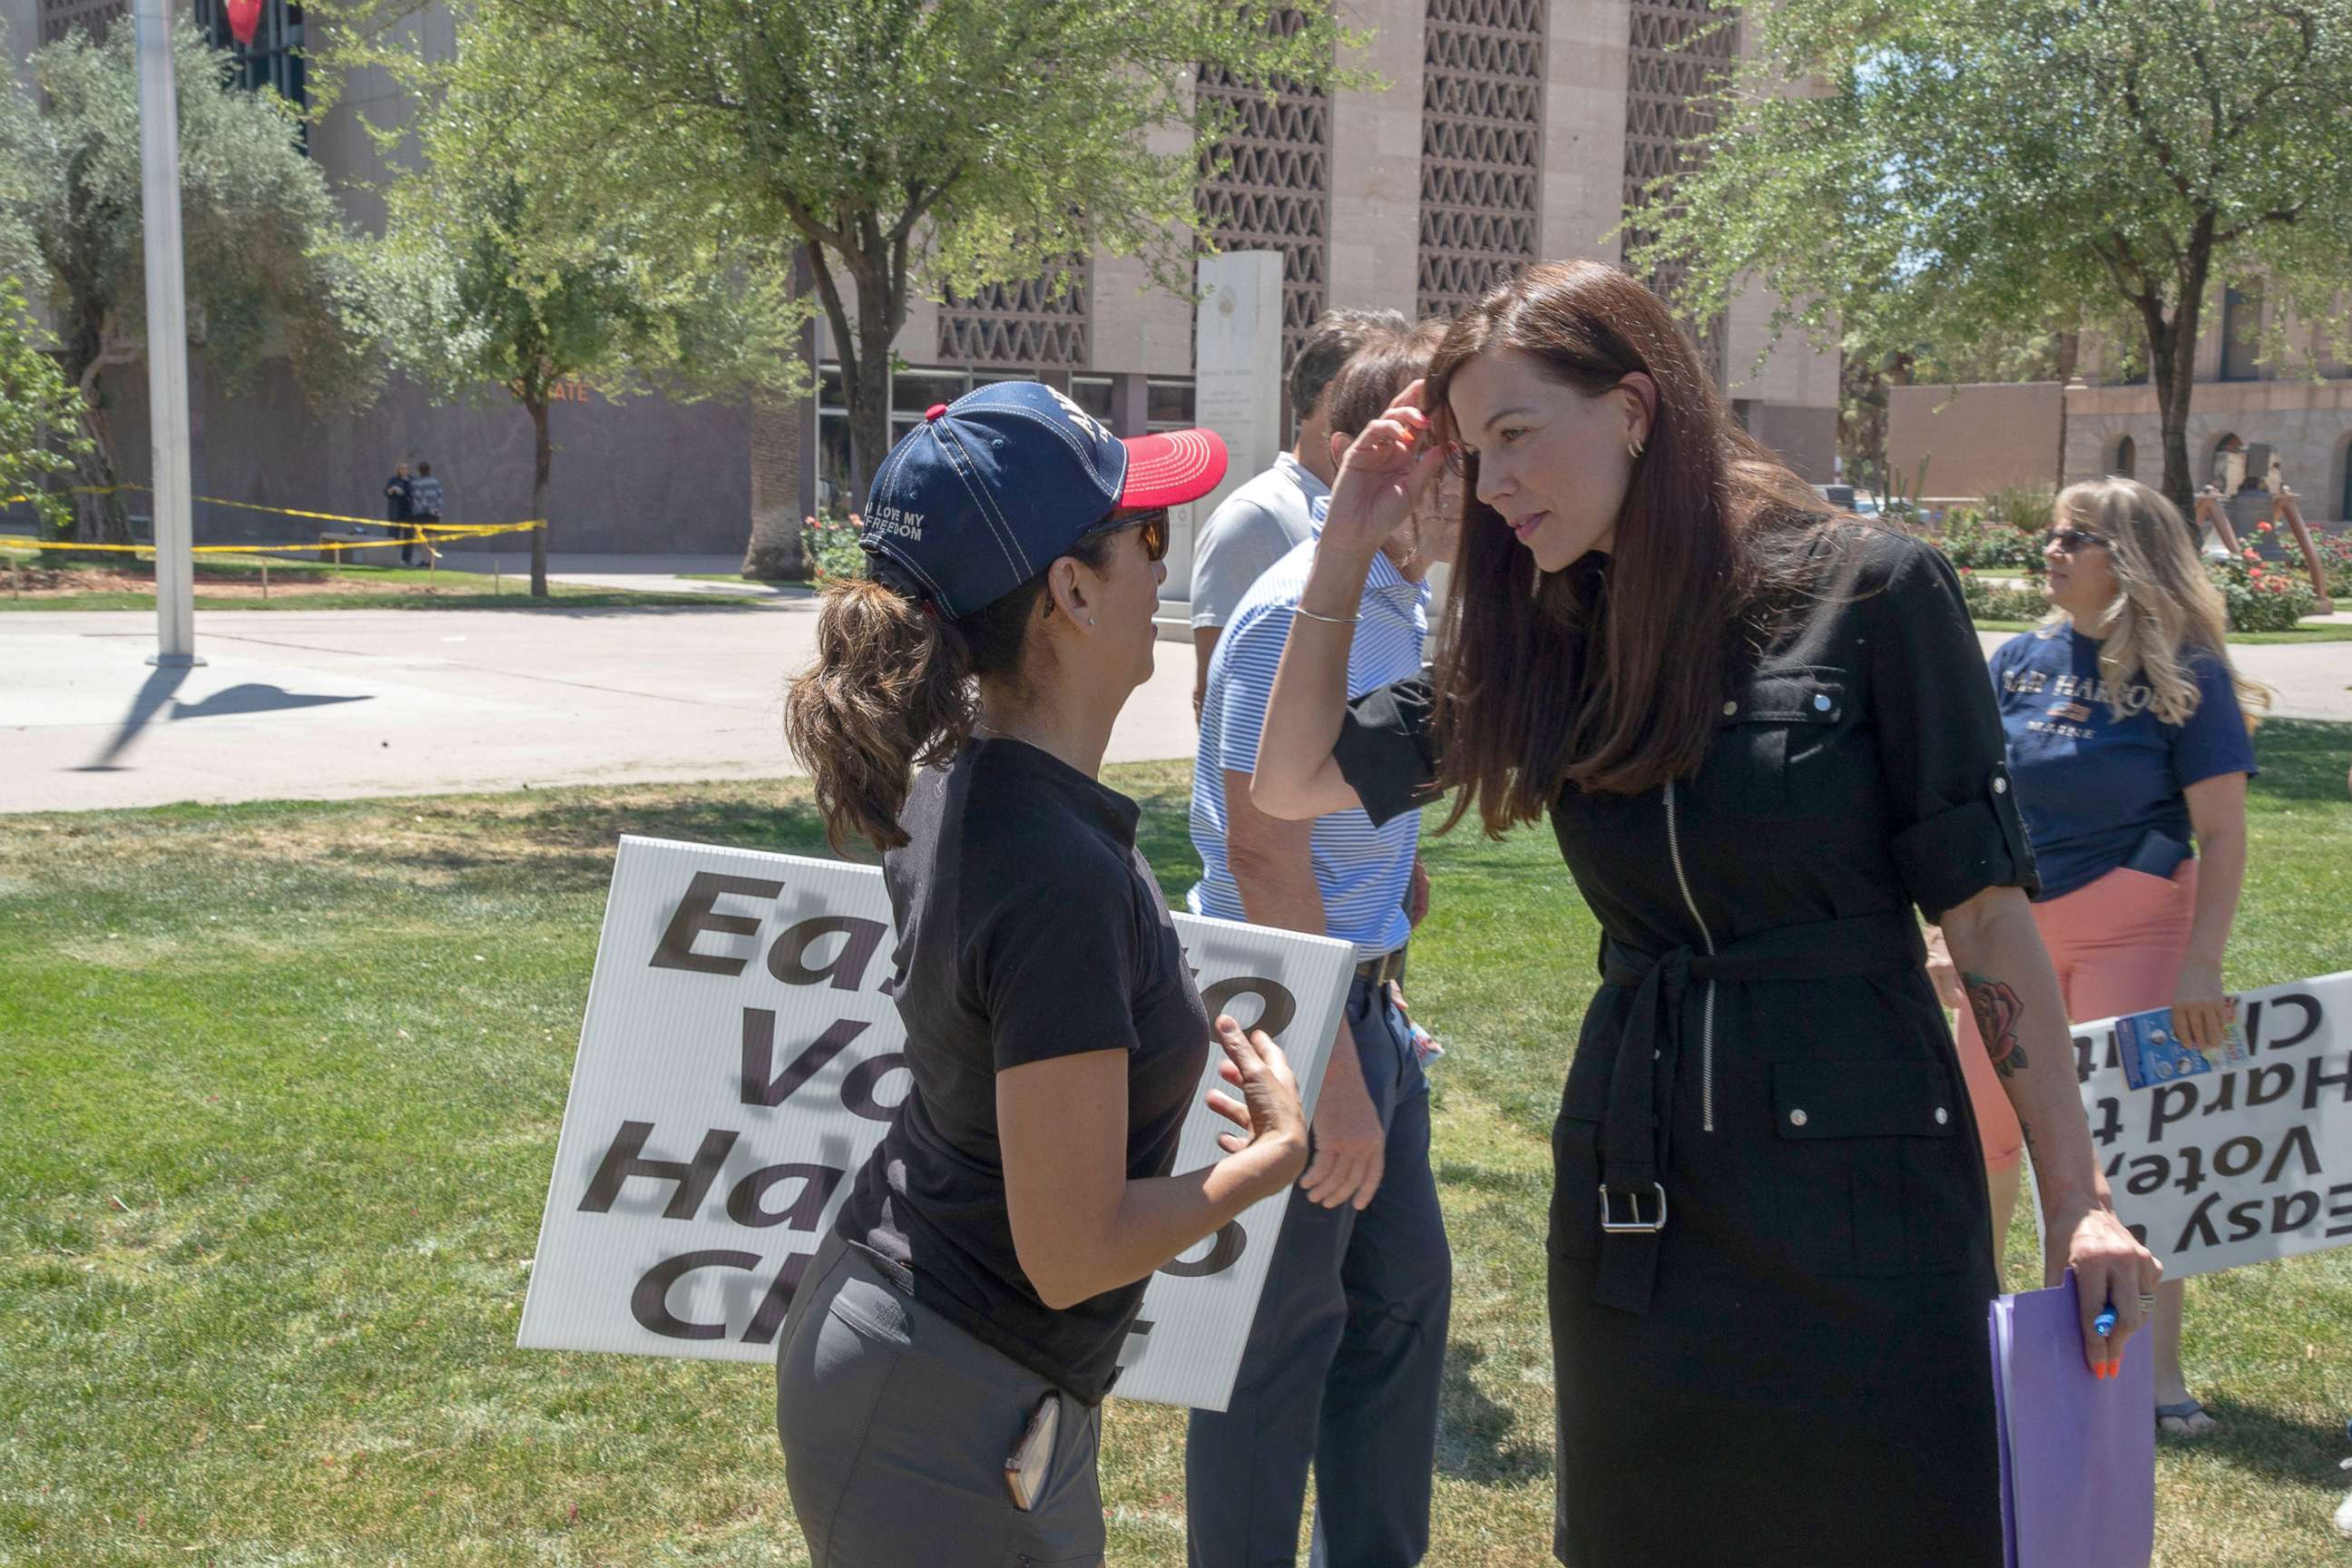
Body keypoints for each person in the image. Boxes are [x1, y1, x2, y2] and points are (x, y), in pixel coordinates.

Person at [1248, 260, 2161, 1567]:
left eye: (1517, 436)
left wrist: (2077, 1194)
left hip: (1867, 1172)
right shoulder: (1542, 636)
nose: (1493, 486)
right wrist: (1344, 540)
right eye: (1475, 454)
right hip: (1644, 1179)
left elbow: (1989, 917)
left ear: (1632, 408)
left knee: (1895, 1528)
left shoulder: (1876, 590)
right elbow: (1289, 779)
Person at [773, 383, 1310, 1566]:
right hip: (946, 1399)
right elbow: (1074, 1247)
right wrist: (1268, 1162)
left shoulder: (966, 786)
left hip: (934, 1367)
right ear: (1069, 589)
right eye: (1145, 538)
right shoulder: (1044, 860)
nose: (1161, 573)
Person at [1184, 323, 1458, 1568]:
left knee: (1399, 1310)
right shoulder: (1307, 604)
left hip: (1363, 1008)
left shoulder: (1391, 600)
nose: (1484, 484)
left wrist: (1397, 904)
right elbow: (1258, 848)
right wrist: (1331, 1072)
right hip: (1298, 1025)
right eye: (1458, 450)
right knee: (1274, 1347)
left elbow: (1333, 831)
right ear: (1373, 459)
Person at [1927, 477, 2263, 1439]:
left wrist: (2202, 964)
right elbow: (1963, 803)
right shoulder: (2019, 660)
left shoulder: (2185, 669)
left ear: (2133, 559)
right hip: (2009, 933)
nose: (2052, 548)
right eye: (2052, 533)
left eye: (2076, 537)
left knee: (2126, 1159)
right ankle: (1988, 1345)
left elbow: (2223, 833)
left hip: (2140, 929)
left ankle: (2145, 1372)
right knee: (1985, 1144)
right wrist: (1936, 938)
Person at [1191, 309, 1408, 718]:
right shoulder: (1252, 519)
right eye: (1392, 395)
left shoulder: (1391, 510)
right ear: (1332, 399)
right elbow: (1216, 700)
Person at [404, 462, 446, 566]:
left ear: (419, 471)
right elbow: (440, 497)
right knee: (433, 536)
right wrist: (435, 509)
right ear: (429, 470)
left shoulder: (416, 483)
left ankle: (424, 560)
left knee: (422, 537)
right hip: (435, 513)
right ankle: (432, 561)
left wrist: (427, 508)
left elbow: (418, 498)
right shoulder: (436, 482)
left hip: (421, 513)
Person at [382, 461, 412, 551]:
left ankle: (406, 559)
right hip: (395, 511)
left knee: (408, 536)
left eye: (406, 468)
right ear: (398, 470)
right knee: (393, 534)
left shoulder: (412, 480)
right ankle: (392, 556)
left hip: (408, 512)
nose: (404, 470)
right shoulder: (393, 480)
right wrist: (393, 489)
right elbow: (385, 492)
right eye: (401, 468)